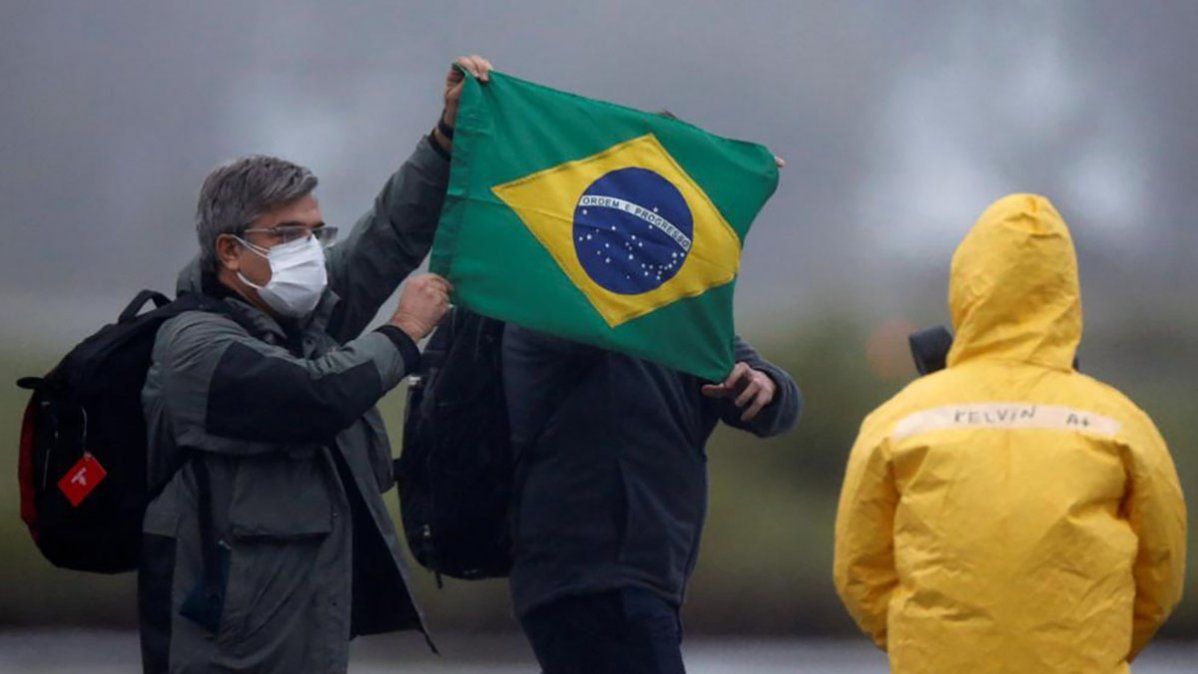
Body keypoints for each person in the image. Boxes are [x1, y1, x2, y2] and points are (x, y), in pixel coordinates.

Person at [137, 56, 494, 673]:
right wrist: (404, 331)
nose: (309, 249)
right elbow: (309, 399)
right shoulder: (193, 345)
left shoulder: (303, 321)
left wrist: (446, 139)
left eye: (315, 231)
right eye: (287, 235)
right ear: (229, 250)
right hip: (225, 652)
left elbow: (388, 235)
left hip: (308, 640)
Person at [833, 194, 1187, 673]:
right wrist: (1096, 651)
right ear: (1066, 293)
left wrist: (924, 646)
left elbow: (860, 572)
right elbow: (1159, 576)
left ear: (967, 286)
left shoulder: (898, 420)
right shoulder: (1122, 422)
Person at [503, 325, 802, 673]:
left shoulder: (672, 318)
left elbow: (780, 410)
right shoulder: (554, 307)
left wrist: (768, 384)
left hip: (641, 579)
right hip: (595, 577)